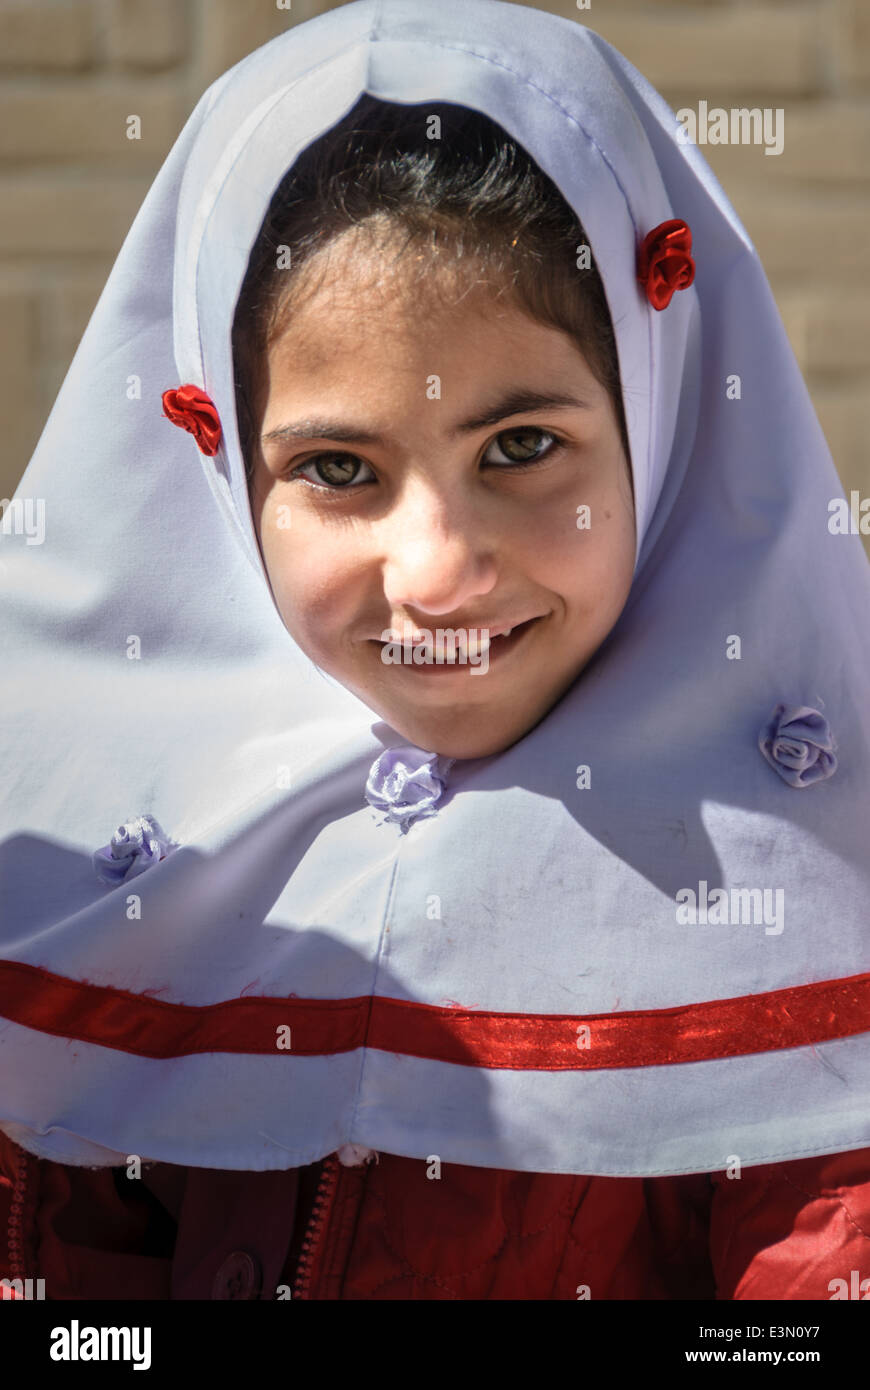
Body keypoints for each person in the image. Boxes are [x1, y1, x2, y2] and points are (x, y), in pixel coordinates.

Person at [1, 0, 869, 1301]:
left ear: (661, 408)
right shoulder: (78, 865)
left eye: (520, 448)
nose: (439, 571)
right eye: (338, 468)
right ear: (219, 455)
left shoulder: (813, 886)